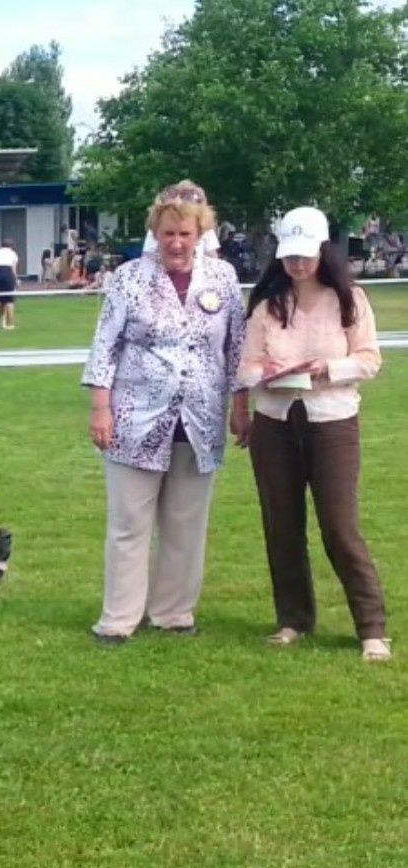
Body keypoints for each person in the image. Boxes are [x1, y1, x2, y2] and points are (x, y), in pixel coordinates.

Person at [82, 182, 246, 645]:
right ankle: (118, 619)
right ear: (155, 232)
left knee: (186, 526)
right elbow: (104, 346)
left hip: (199, 421)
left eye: (185, 234)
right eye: (168, 233)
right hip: (134, 418)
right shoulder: (129, 278)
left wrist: (240, 407)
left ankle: (174, 613)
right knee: (128, 526)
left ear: (201, 235)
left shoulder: (224, 279)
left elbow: (235, 348)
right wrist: (100, 407)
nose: (176, 243)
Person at [232, 206, 391, 662]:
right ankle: (293, 619)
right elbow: (244, 365)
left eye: (305, 256)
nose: (297, 266)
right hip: (275, 421)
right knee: (281, 523)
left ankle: (371, 628)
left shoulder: (350, 300)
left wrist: (328, 368)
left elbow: (368, 359)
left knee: (340, 527)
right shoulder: (267, 305)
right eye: (289, 257)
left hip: (332, 418)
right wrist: (263, 378)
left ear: (323, 252)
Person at [142, 181, 220, 258]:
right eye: (169, 234)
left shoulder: (204, 227)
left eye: (185, 234)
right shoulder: (160, 226)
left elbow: (212, 256)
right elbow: (147, 257)